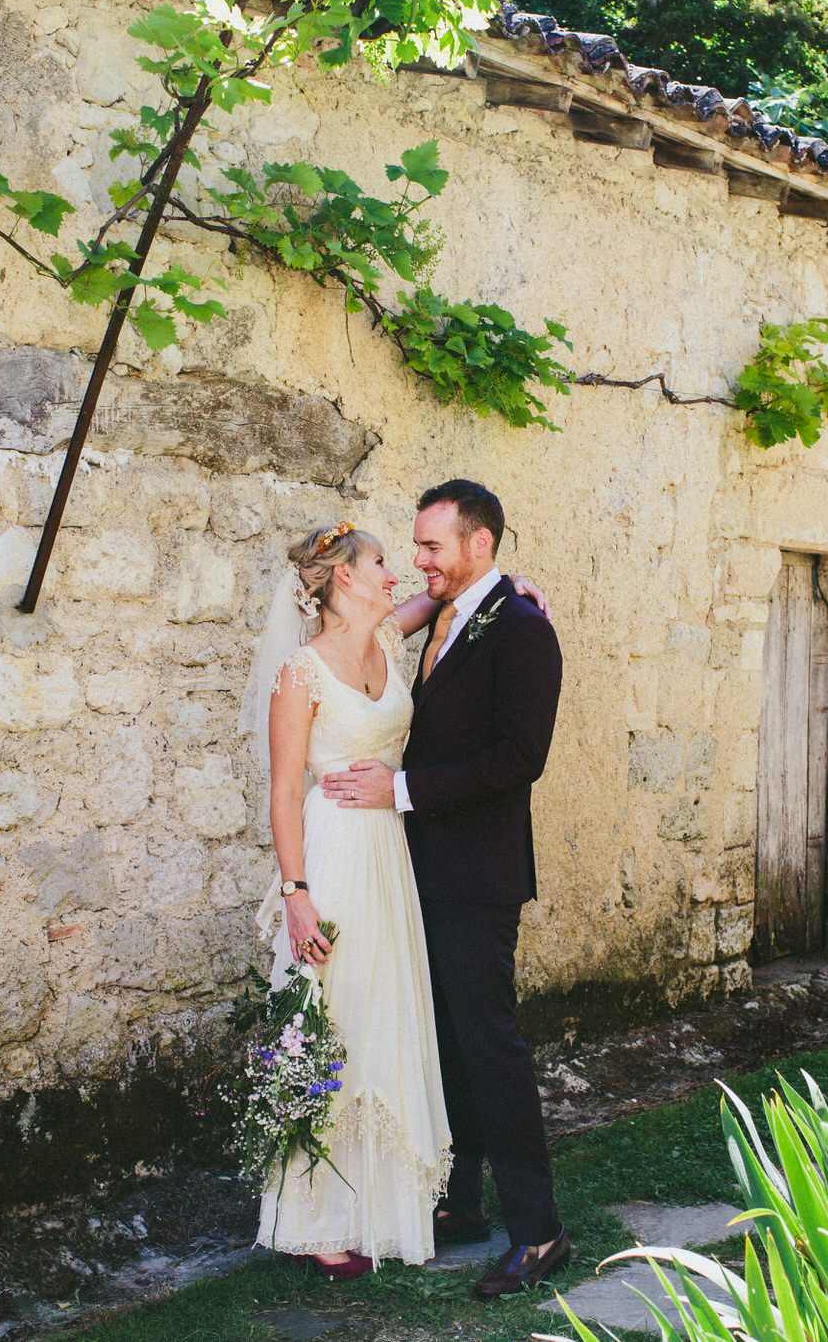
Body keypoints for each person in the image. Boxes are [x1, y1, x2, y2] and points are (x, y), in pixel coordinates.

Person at [239, 514, 556, 1284]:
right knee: (333, 1016)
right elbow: (283, 793)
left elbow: (456, 601)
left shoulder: (386, 638)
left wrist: (507, 587)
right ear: (344, 575)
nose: (400, 573)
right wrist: (296, 893)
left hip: (393, 859)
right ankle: (318, 1217)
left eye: (409, 557)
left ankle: (388, 1202)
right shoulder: (299, 673)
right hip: (334, 855)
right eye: (384, 560)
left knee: (388, 1019)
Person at [318, 480, 572, 1299]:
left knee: (491, 1045)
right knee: (449, 1044)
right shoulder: (457, 614)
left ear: (480, 544)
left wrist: (399, 790)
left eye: (432, 546)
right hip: (419, 871)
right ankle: (459, 1203)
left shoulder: (524, 630)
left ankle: (539, 1233)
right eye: (415, 546)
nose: (419, 559)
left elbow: (517, 759)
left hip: (479, 875)